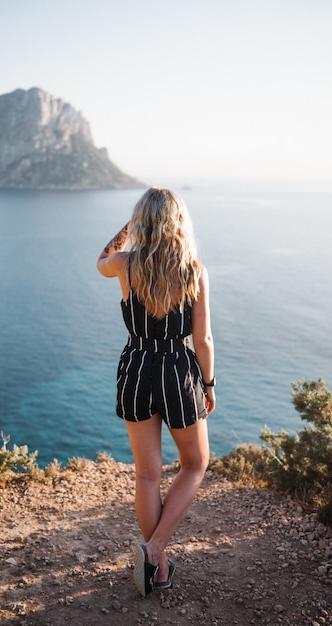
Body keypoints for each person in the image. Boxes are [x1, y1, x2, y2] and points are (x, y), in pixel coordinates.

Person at [97, 187, 215, 597]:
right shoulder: (193, 271)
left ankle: (157, 565)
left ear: (141, 222)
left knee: (147, 475)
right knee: (196, 464)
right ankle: (156, 551)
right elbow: (204, 341)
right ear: (179, 223)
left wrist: (126, 230)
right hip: (179, 373)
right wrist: (209, 384)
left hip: (135, 370)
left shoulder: (124, 265)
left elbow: (99, 261)